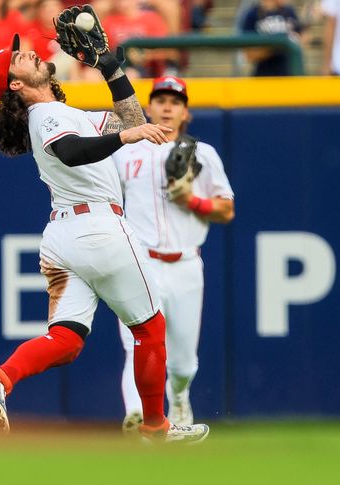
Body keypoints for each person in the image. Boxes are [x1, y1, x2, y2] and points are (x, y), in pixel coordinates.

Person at [0, 22, 209, 443]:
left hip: (64, 238)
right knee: (149, 329)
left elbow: (134, 120)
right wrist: (126, 136)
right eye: (17, 59)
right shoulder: (44, 115)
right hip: (99, 228)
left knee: (67, 339)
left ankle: (1, 379)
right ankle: (156, 427)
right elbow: (72, 151)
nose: (26, 53)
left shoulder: (64, 113)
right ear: (16, 84)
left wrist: (109, 65)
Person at [112, 75, 234, 432]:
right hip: (140, 264)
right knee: (138, 345)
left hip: (185, 265)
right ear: (148, 108)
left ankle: (178, 397)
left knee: (183, 364)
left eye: (175, 101)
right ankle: (137, 414)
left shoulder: (203, 153)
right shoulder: (127, 152)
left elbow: (227, 209)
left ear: (185, 114)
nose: (167, 106)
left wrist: (192, 200)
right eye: (160, 100)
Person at [239, 0, 304, 77]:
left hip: (290, 78)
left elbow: (301, 39)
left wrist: (308, 22)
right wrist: (279, 44)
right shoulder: (252, 15)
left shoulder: (289, 12)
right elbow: (249, 54)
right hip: (264, 79)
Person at [102, 0, 169, 78]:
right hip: (115, 64)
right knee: (90, 75)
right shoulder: (108, 20)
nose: (123, 1)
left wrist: (145, 56)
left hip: (145, 68)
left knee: (129, 75)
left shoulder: (151, 18)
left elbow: (166, 51)